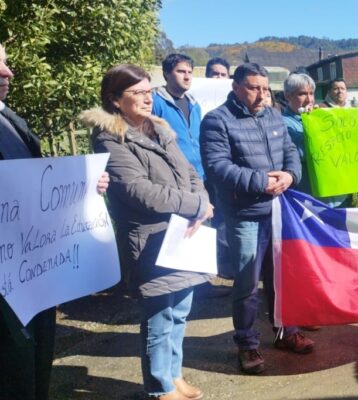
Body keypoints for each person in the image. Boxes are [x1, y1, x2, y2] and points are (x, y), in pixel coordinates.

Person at [82, 63, 211, 400]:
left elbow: (190, 172)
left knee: (181, 309)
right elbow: (141, 192)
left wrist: (204, 201)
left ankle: (175, 375)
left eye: (148, 90)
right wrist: (195, 206)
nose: (147, 98)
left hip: (182, 233)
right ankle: (159, 385)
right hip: (150, 239)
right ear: (114, 99)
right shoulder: (110, 138)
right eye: (136, 92)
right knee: (159, 315)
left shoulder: (160, 128)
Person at [0, 43, 108, 400]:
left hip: (29, 277)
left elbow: (35, 188)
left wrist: (82, 186)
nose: (8, 73)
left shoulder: (11, 119)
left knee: (32, 362)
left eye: (6, 63)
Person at [199, 63, 311, 376]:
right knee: (247, 283)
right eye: (253, 88)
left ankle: (286, 332)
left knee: (282, 278)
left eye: (264, 88)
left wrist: (289, 176)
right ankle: (247, 342)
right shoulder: (217, 121)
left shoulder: (274, 115)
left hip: (278, 212)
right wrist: (261, 181)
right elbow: (218, 167)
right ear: (235, 88)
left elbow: (291, 152)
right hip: (244, 216)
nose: (261, 94)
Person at [153, 54, 229, 296]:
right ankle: (176, 284)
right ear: (166, 74)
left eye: (189, 72)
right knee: (180, 229)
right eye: (180, 71)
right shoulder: (156, 102)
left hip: (201, 175)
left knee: (203, 226)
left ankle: (202, 283)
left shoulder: (195, 104)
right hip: (173, 178)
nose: (186, 76)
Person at [281, 73, 349, 207]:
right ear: (287, 96)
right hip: (311, 201)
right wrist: (313, 124)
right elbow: (306, 153)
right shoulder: (283, 124)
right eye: (302, 94)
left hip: (337, 196)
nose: (309, 100)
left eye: (311, 93)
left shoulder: (319, 117)